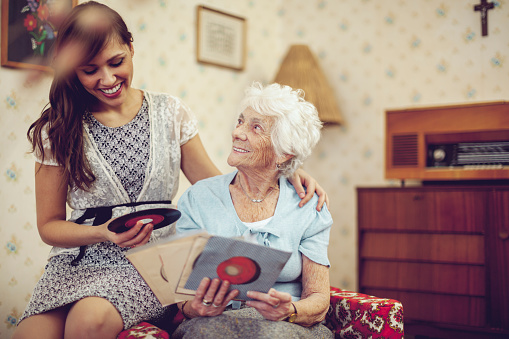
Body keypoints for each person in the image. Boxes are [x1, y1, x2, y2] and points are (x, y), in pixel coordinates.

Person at [12, 2, 328, 339]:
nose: (107, 79)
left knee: (87, 322)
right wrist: (103, 232)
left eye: (116, 62)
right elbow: (49, 226)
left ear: (131, 48)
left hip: (152, 262)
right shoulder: (57, 127)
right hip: (76, 262)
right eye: (90, 70)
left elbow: (217, 189)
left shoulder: (170, 113)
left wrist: (282, 169)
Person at [173, 82, 333, 338]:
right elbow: (179, 291)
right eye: (240, 121)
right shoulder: (198, 198)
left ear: (284, 152)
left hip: (287, 326)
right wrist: (193, 307)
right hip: (214, 324)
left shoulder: (308, 207)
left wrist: (289, 310)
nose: (237, 132)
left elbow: (318, 298)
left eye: (255, 127)